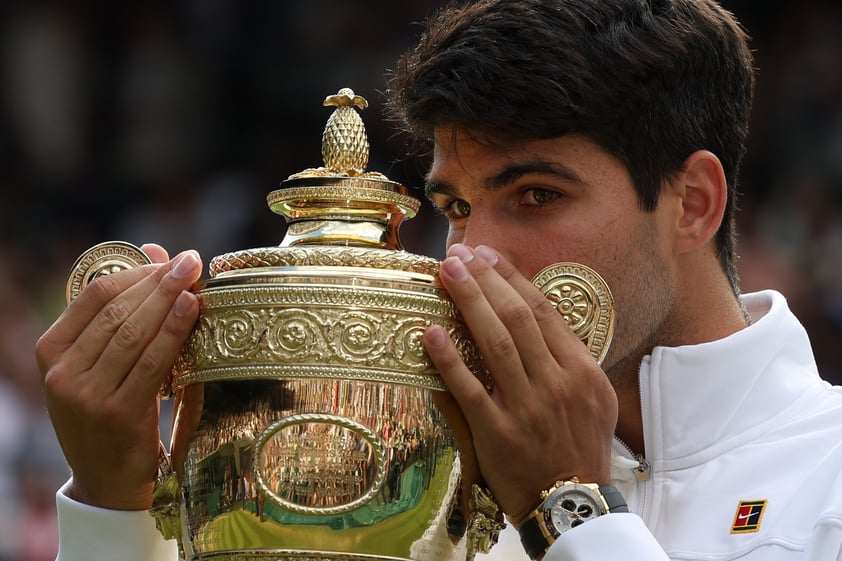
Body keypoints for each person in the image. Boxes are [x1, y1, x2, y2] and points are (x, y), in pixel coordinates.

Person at [35, 1, 842, 560]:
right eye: (456, 205)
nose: (467, 258)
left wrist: (570, 511)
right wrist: (113, 503)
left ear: (692, 203)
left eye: (536, 196)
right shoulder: (413, 472)